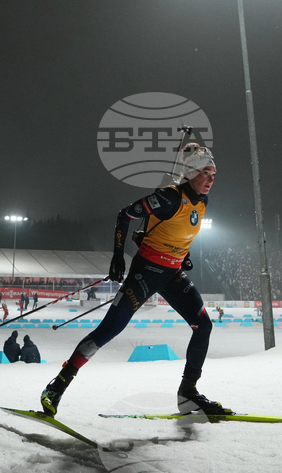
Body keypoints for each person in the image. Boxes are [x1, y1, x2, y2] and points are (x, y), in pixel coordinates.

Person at [41, 145, 228, 417]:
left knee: (204, 325)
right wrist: (118, 257)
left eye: (213, 174)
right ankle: (57, 385)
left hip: (172, 273)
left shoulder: (202, 201)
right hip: (146, 271)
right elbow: (125, 214)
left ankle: (188, 392)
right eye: (205, 173)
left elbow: (177, 231)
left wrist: (182, 254)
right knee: (109, 330)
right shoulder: (168, 198)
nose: (211, 179)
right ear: (190, 173)